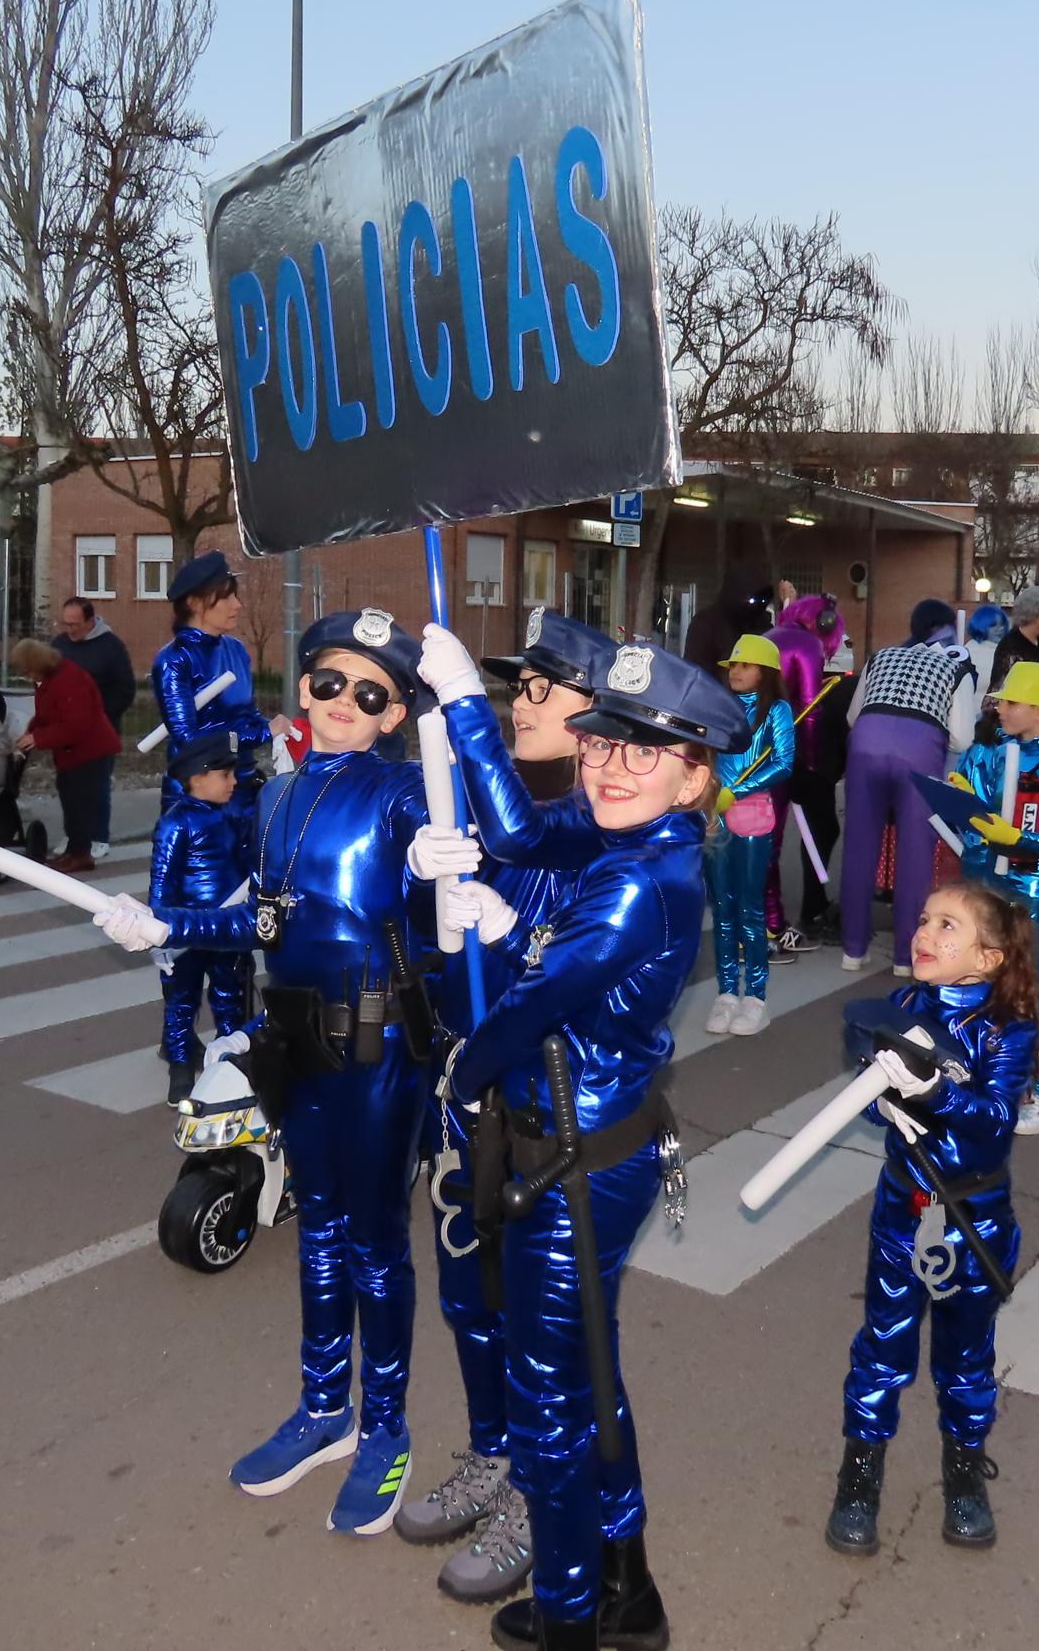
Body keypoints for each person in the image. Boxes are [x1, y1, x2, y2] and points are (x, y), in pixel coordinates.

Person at [440, 637, 748, 1651]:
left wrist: (463, 1070)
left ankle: (572, 1615)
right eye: (602, 741)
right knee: (587, 1383)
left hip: (573, 1167)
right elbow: (527, 838)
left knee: (549, 1404)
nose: (610, 766)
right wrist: (462, 715)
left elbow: (527, 1007)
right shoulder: (626, 839)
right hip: (584, 1151)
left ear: (697, 775)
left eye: (645, 751)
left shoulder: (639, 883)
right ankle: (626, 1590)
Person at [106, 608, 440, 1539]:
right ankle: (324, 1406)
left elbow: (482, 856)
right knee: (320, 1229)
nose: (343, 701)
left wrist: (446, 861)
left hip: (377, 1047)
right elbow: (262, 921)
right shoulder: (276, 797)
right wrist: (169, 925)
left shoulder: (404, 793)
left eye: (370, 693)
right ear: (302, 689)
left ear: (393, 716)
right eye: (329, 681)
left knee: (376, 1244)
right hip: (298, 1042)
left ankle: (385, 1428)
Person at [402, 608, 616, 1606]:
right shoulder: (508, 813)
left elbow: (555, 978)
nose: (518, 702)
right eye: (514, 687)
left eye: (538, 688)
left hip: (547, 1117)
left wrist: (466, 719)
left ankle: (539, 1481)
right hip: (466, 1094)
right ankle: (494, 1452)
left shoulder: (599, 832)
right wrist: (427, 887)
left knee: (546, 1326)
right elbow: (450, 957)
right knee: (466, 1293)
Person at [824, 882, 1039, 1560]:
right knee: (882, 1346)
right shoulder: (902, 1006)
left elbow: (997, 1125)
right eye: (923, 919)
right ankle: (859, 1478)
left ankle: (964, 1473)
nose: (924, 932)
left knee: (966, 1355)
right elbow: (867, 1096)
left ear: (989, 958)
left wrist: (936, 1091)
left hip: (972, 1219)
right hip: (903, 1210)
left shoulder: (1010, 1032)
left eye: (948, 925)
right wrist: (882, 1104)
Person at [950, 662, 1039, 1135]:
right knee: (987, 981)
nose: (1000, 708)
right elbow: (982, 804)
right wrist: (964, 794)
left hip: (1036, 891)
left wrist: (1021, 838)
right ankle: (998, 1076)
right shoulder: (997, 751)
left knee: (1035, 989)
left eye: (1010, 702)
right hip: (992, 882)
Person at [839, 602, 979, 976]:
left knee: (858, 848)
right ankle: (906, 956)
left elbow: (853, 716)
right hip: (919, 754)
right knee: (915, 855)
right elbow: (963, 737)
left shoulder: (882, 656)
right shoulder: (958, 668)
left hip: (866, 746)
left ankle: (853, 949)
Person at [152, 552, 286, 866]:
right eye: (226, 597)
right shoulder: (174, 659)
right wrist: (262, 732)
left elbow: (246, 713)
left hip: (243, 787)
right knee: (202, 894)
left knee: (248, 888)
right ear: (195, 603)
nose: (237, 605)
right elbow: (189, 740)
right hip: (199, 795)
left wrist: (272, 727)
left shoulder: (236, 650)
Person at [148, 729, 253, 1107]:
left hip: (229, 926)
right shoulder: (177, 822)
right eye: (225, 775)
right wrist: (158, 930)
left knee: (231, 997)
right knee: (181, 999)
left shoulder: (235, 813)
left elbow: (247, 863)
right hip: (185, 931)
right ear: (197, 777)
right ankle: (180, 1067)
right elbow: (162, 879)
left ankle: (232, 1061)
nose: (234, 782)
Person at [706, 634, 796, 1036]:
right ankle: (726, 993)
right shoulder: (719, 709)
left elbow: (783, 763)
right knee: (721, 910)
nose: (736, 671)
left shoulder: (776, 710)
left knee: (750, 909)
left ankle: (755, 997)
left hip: (753, 818)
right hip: (715, 819)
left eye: (744, 665)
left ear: (766, 672)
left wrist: (736, 791)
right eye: (733, 665)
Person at [762, 592, 845, 951]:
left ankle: (763, 922)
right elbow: (811, 710)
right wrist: (812, 763)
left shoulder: (770, 637)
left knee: (758, 838)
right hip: (782, 750)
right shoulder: (807, 644)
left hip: (751, 746)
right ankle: (775, 926)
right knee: (775, 842)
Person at [11, 637, 121, 873]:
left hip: (89, 749)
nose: (28, 676)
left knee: (80, 802)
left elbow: (75, 724)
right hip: (71, 752)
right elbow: (46, 715)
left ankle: (80, 854)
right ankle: (74, 850)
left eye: (28, 671)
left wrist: (37, 738)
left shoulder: (69, 680)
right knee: (71, 800)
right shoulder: (48, 679)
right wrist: (30, 732)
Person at [53, 595, 135, 859]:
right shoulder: (59, 646)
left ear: (90, 621)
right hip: (66, 731)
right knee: (66, 783)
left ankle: (98, 836)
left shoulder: (111, 647)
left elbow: (125, 689)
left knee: (95, 783)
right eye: (65, 624)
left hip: (99, 730)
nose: (70, 630)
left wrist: (97, 713)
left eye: (75, 624)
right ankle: (74, 835)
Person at [680, 559, 772, 674]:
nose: (756, 604)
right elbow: (694, 672)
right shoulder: (706, 624)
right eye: (751, 599)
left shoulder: (763, 624)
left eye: (761, 600)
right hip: (712, 689)